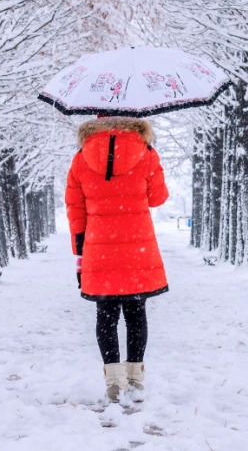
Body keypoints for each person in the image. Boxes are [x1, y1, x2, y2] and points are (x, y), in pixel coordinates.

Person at [65, 115, 169, 404]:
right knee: (136, 313)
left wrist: (80, 253)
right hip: (138, 247)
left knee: (106, 315)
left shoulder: (81, 158)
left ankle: (114, 382)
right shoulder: (146, 153)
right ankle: (135, 380)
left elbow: (75, 209)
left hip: (100, 248)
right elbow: (158, 197)